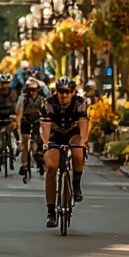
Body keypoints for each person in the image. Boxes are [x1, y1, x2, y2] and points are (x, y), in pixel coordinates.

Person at [40, 77, 89, 228]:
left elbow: (83, 125)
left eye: (67, 92)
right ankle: (51, 211)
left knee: (78, 151)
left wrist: (83, 142)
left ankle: (76, 184)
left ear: (73, 93)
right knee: (51, 167)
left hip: (73, 133)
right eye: (61, 91)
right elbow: (45, 126)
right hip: (54, 134)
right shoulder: (48, 103)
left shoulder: (80, 103)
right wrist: (46, 143)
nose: (64, 95)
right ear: (56, 91)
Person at [13, 78, 46, 179]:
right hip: (26, 122)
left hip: (37, 123)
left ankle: (40, 163)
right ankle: (24, 165)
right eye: (30, 90)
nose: (32, 92)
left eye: (34, 90)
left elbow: (46, 115)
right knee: (25, 143)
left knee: (36, 147)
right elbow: (19, 115)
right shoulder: (23, 99)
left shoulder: (42, 100)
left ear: (38, 90)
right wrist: (19, 129)